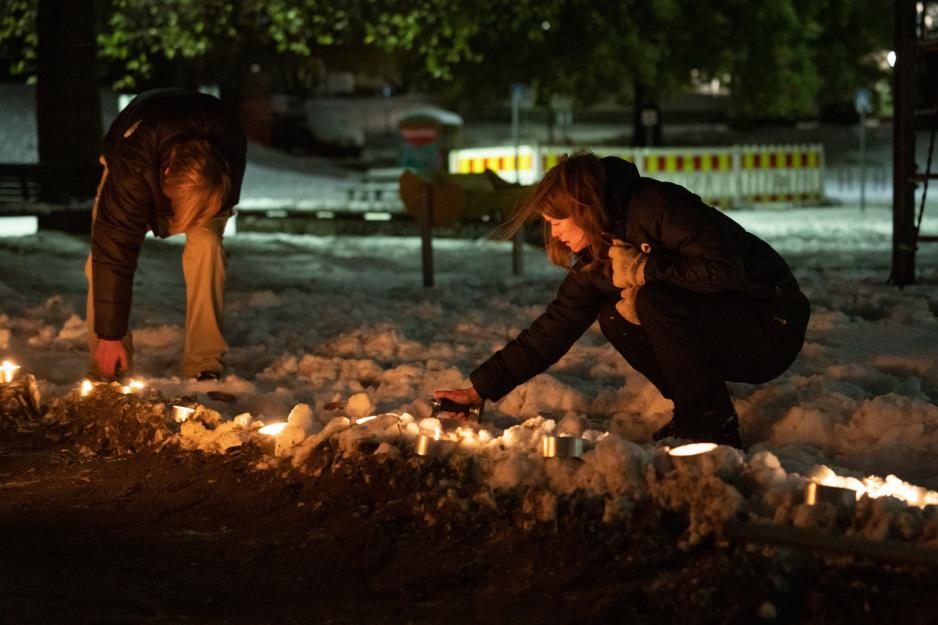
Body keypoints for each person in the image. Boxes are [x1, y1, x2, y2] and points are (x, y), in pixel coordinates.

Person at [437, 152, 810, 447]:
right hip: (725, 328)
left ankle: (713, 426)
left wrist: (647, 269)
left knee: (652, 300)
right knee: (614, 315)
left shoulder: (657, 206)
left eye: (558, 220)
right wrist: (479, 389)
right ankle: (693, 411)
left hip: (770, 323)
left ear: (584, 209)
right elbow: (555, 326)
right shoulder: (598, 254)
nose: (554, 232)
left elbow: (723, 270)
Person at [85, 88, 247, 381]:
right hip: (133, 150)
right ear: (168, 174)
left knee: (207, 244)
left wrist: (195, 215)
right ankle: (108, 362)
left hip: (203, 179)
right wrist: (110, 334)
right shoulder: (132, 163)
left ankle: (204, 360)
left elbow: (220, 203)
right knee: (101, 258)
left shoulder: (229, 149)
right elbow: (114, 250)